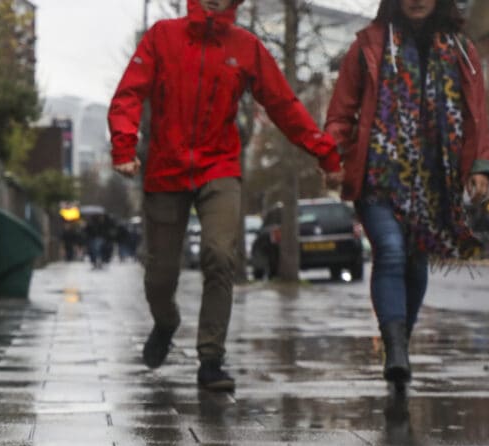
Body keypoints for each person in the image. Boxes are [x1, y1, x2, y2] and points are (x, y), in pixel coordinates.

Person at [109, 0, 341, 392]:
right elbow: (129, 94)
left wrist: (324, 151)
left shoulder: (245, 46)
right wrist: (124, 146)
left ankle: (211, 358)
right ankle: (166, 323)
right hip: (166, 169)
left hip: (219, 166)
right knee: (160, 276)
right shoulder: (162, 37)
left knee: (219, 253)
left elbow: (284, 104)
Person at [324, 0, 489, 390]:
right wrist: (332, 156)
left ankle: (399, 344)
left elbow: (476, 115)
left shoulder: (462, 50)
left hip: (433, 182)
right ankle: (396, 348)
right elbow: (341, 112)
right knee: (391, 251)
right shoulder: (368, 45)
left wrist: (480, 167)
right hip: (377, 176)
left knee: (415, 263)